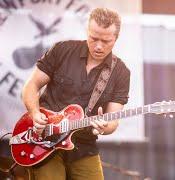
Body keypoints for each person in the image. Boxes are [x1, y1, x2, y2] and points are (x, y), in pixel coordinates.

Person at [22, 8, 130, 180]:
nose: (99, 46)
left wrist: (104, 127)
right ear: (87, 31)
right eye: (94, 38)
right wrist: (35, 113)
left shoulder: (121, 72)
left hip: (84, 146)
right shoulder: (62, 50)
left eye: (106, 41)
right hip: (44, 140)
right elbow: (31, 86)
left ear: (115, 39)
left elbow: (112, 120)